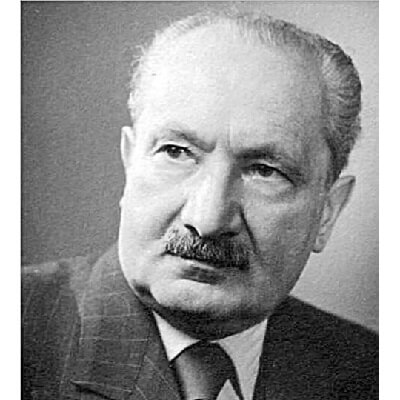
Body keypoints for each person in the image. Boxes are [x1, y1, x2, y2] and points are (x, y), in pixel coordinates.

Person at [22, 9, 378, 400]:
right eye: (176, 152)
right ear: (129, 163)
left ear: (327, 212)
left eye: (264, 171)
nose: (207, 220)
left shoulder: (372, 373)